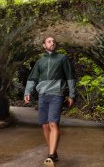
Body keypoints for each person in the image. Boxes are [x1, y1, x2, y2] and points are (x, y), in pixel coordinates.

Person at [24, 36, 75, 166]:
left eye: (53, 41)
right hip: (43, 95)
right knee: (45, 125)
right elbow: (32, 78)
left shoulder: (62, 58)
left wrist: (71, 94)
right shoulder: (40, 62)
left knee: (53, 124)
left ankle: (51, 155)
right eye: (49, 41)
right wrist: (27, 92)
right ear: (44, 45)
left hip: (56, 94)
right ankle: (53, 151)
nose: (52, 43)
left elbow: (69, 77)